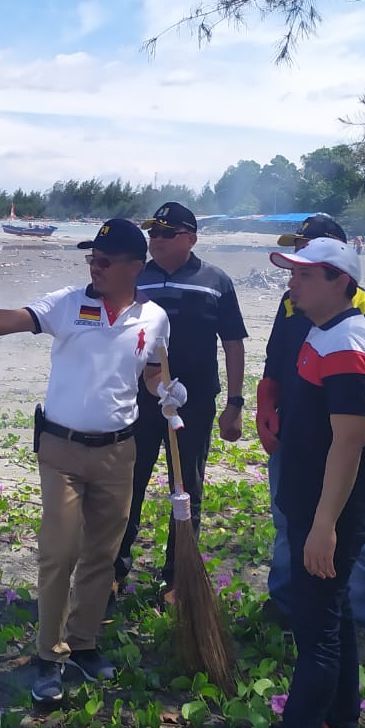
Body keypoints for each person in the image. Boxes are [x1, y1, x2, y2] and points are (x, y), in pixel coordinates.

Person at [0, 219, 176, 703]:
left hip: (118, 452)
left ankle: (84, 644)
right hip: (62, 450)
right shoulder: (69, 303)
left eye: (106, 259)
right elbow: (8, 318)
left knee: (102, 556)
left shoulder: (155, 318)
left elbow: (152, 372)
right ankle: (50, 654)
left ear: (137, 266)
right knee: (59, 552)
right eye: (92, 257)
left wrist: (164, 390)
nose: (96, 265)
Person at [267, 237, 365, 728]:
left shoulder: (348, 342)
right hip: (314, 503)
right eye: (292, 273)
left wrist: (324, 526)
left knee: (314, 632)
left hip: (330, 510)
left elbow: (350, 440)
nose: (291, 283)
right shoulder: (325, 330)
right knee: (332, 612)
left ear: (341, 282)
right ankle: (341, 717)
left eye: (304, 276)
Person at [114, 201, 247, 608]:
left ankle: (177, 573)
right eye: (152, 233)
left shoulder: (215, 281)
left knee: (186, 486)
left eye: (164, 234)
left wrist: (235, 403)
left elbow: (233, 343)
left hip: (195, 402)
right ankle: (114, 569)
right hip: (139, 400)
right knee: (128, 484)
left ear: (190, 238)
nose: (155, 241)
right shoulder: (138, 279)